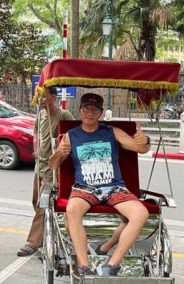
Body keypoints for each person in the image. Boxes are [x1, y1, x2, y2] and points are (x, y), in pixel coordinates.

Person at [49, 93, 150, 276]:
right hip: (85, 188)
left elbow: (140, 148)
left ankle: (111, 265)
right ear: (80, 111)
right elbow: (53, 165)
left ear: (100, 113)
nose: (90, 113)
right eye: (86, 108)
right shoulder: (71, 136)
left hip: (114, 187)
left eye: (94, 109)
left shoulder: (112, 132)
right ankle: (85, 267)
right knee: (71, 211)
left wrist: (146, 141)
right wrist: (59, 153)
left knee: (140, 213)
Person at [17, 86, 74, 256]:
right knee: (35, 201)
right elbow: (36, 130)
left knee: (42, 205)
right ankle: (47, 232)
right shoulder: (41, 114)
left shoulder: (63, 115)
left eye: (43, 96)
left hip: (53, 168)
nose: (40, 99)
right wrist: (36, 145)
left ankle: (32, 242)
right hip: (39, 165)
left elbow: (72, 136)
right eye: (39, 96)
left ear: (53, 97)